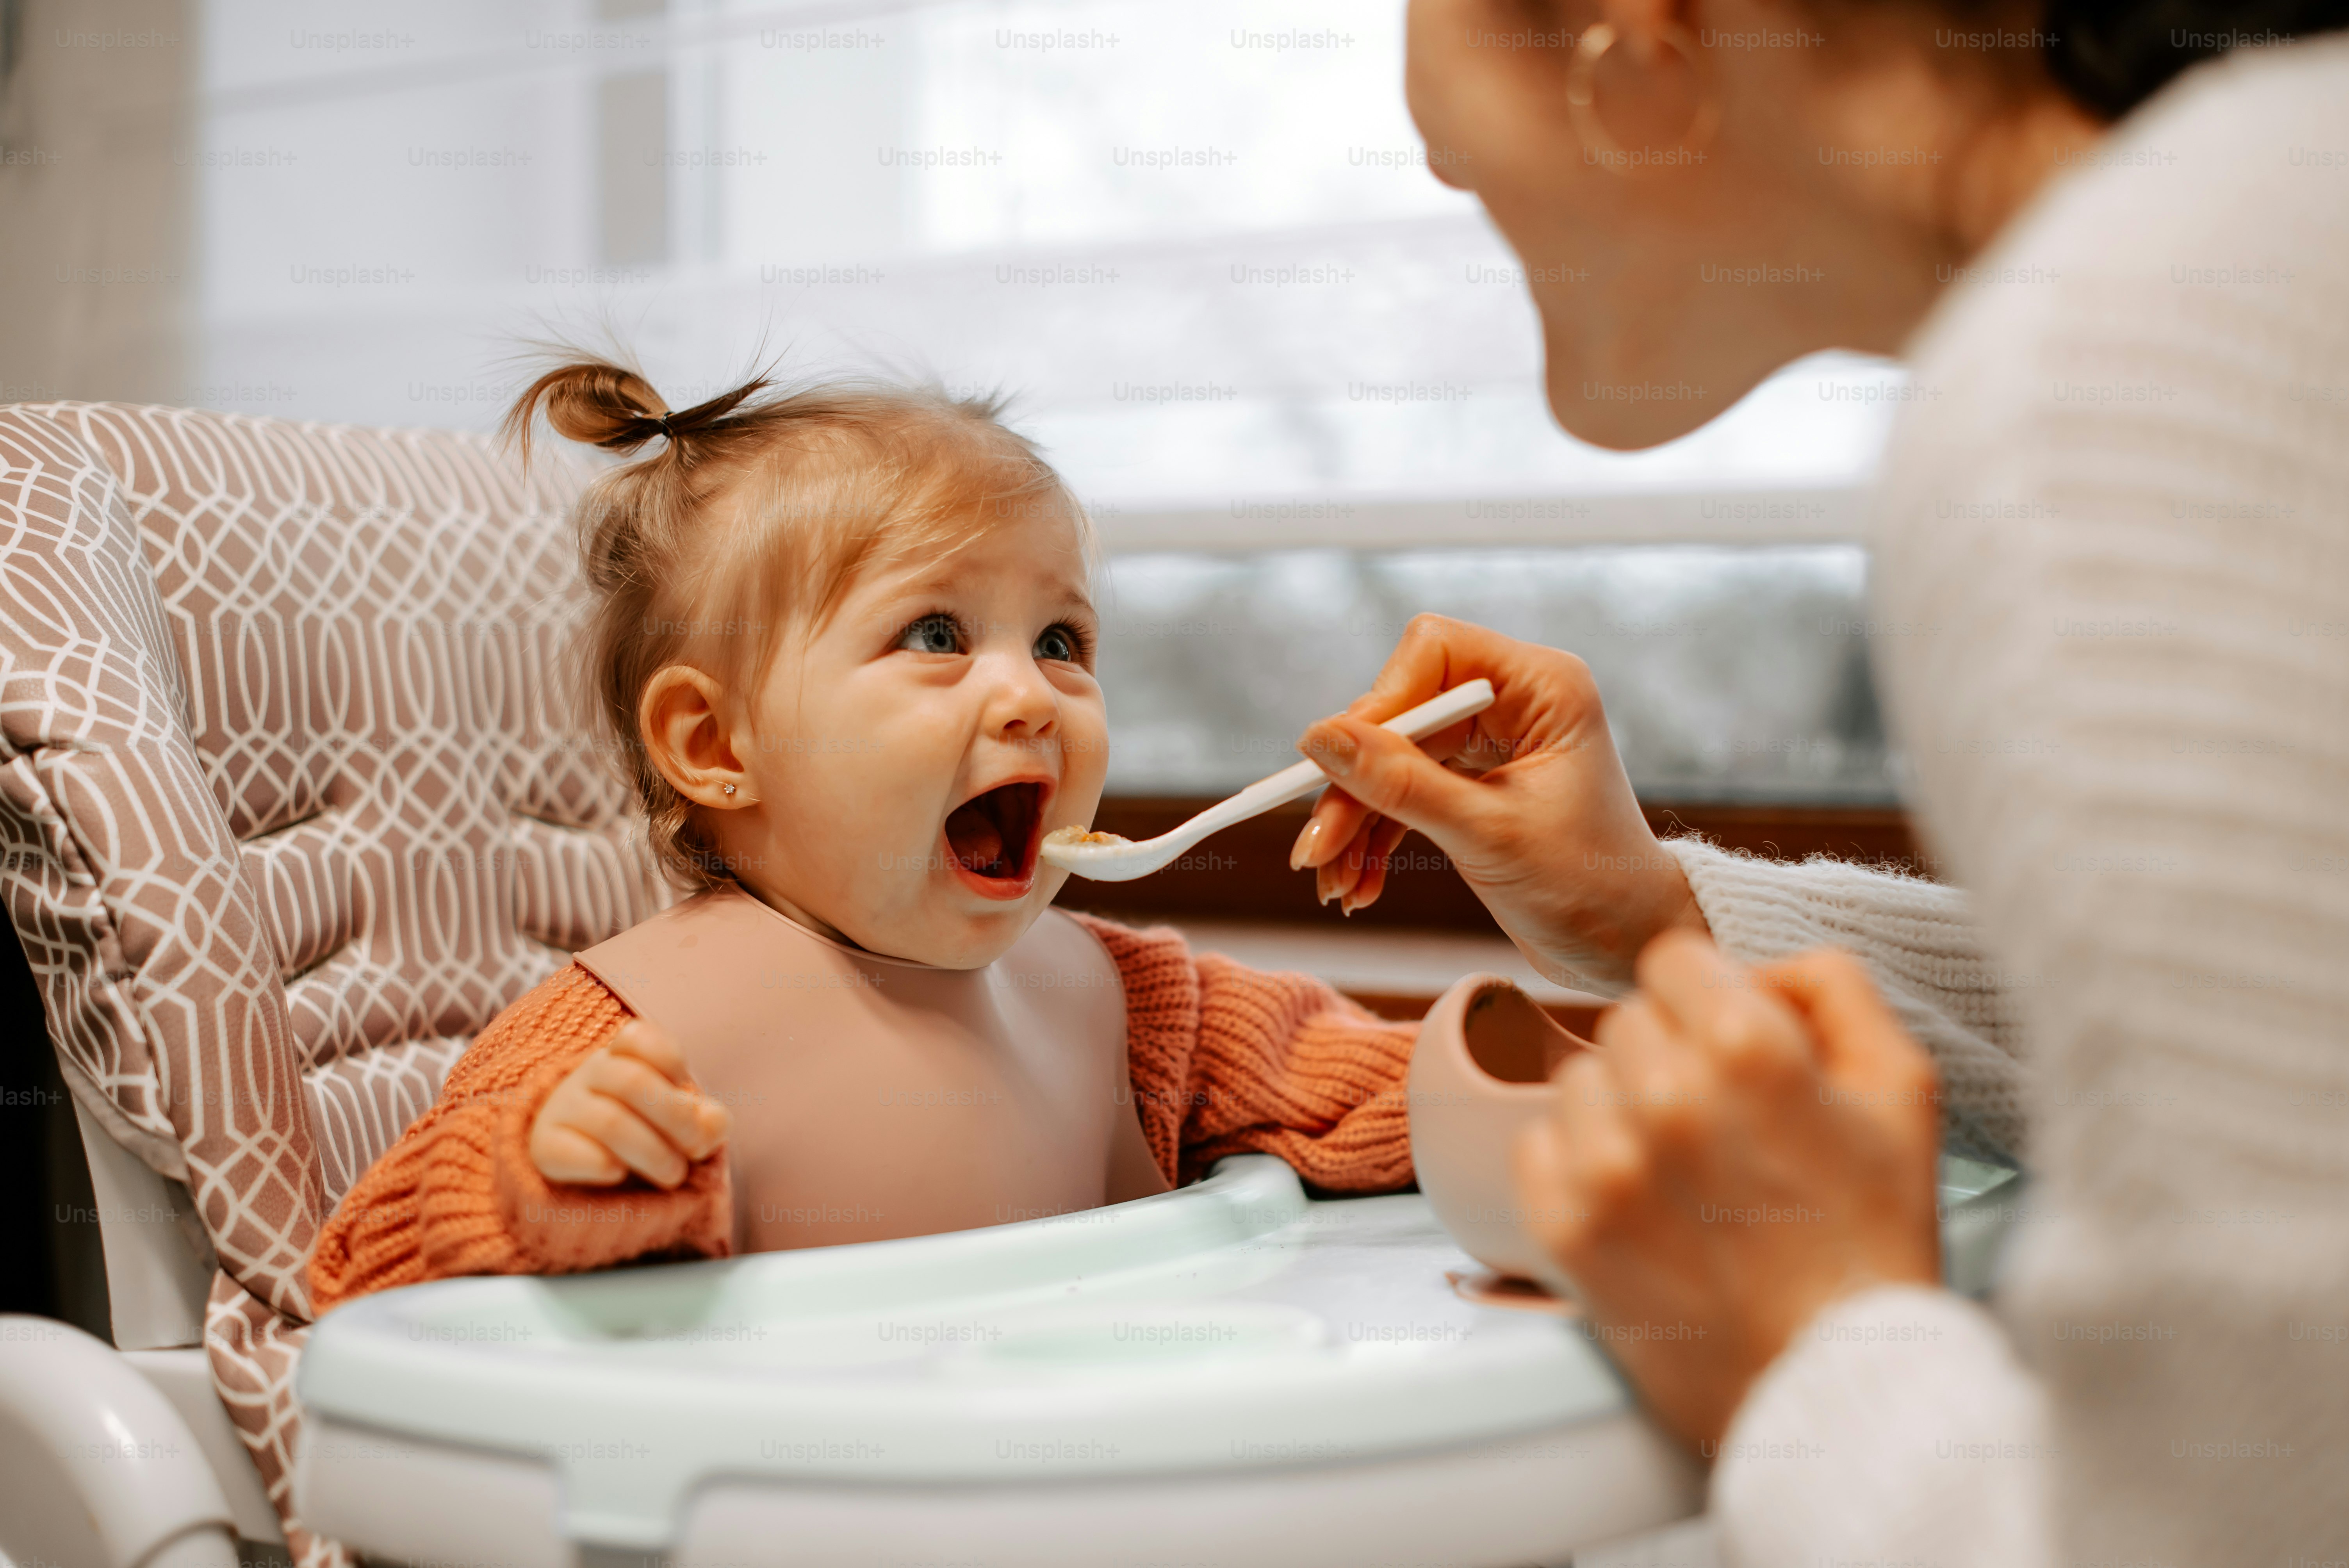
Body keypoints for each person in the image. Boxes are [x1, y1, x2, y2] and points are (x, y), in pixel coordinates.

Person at [1289, 2, 2349, 1563]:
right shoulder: (2270, 200)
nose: (1442, 168)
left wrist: (1808, 1345)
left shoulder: (2094, 373)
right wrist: (1656, 912)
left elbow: (2234, 1516)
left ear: (1636, 47)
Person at [308, 358, 1422, 1310]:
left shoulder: (1137, 1010)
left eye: (1061, 639)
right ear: (716, 744)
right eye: (936, 632)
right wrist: (542, 1189)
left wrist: (1537, 1076)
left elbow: (1396, 1096)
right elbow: (360, 1273)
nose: (1032, 695)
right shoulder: (625, 1042)